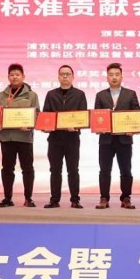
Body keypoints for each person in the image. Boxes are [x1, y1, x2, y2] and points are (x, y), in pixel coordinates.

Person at [94, 62, 140, 209]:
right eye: (111, 75)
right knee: (104, 170)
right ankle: (104, 198)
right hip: (106, 139)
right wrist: (98, 127)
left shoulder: (130, 94)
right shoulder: (100, 95)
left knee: (126, 170)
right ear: (107, 77)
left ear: (121, 77)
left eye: (117, 74)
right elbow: (97, 116)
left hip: (124, 139)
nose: (114, 77)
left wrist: (133, 129)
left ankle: (126, 198)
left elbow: (137, 114)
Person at [0, 63, 40, 208]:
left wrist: (30, 124)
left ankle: (28, 198)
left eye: (17, 74)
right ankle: (7, 198)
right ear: (8, 77)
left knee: (27, 169)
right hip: (7, 137)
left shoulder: (32, 95)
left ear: (23, 76)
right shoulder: (1, 95)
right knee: (7, 169)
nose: (15, 77)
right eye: (12, 75)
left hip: (25, 138)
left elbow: (37, 114)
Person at [43, 65, 88, 209]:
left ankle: (75, 200)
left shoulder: (80, 94)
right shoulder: (51, 94)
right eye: (62, 74)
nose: (65, 76)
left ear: (73, 77)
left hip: (72, 139)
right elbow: (46, 115)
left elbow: (84, 116)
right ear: (58, 77)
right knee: (55, 170)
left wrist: (77, 126)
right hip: (55, 139)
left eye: (68, 74)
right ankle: (54, 200)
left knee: (73, 170)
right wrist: (45, 126)